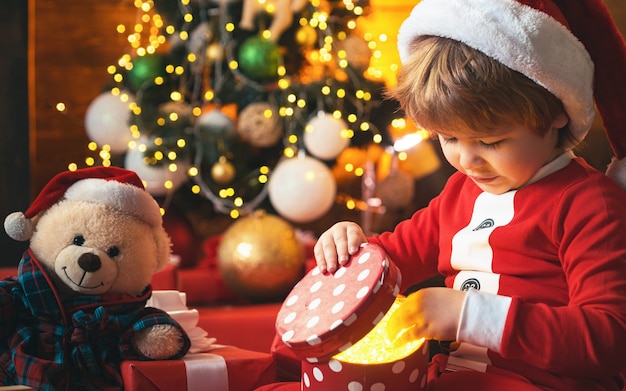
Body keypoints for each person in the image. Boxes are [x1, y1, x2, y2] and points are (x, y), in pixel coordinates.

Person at [311, 0, 626, 390]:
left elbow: (609, 338)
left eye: (491, 141)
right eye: (449, 138)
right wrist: (350, 249)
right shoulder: (461, 192)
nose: (467, 160)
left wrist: (469, 316)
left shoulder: (589, 204)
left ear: (558, 112)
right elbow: (393, 259)